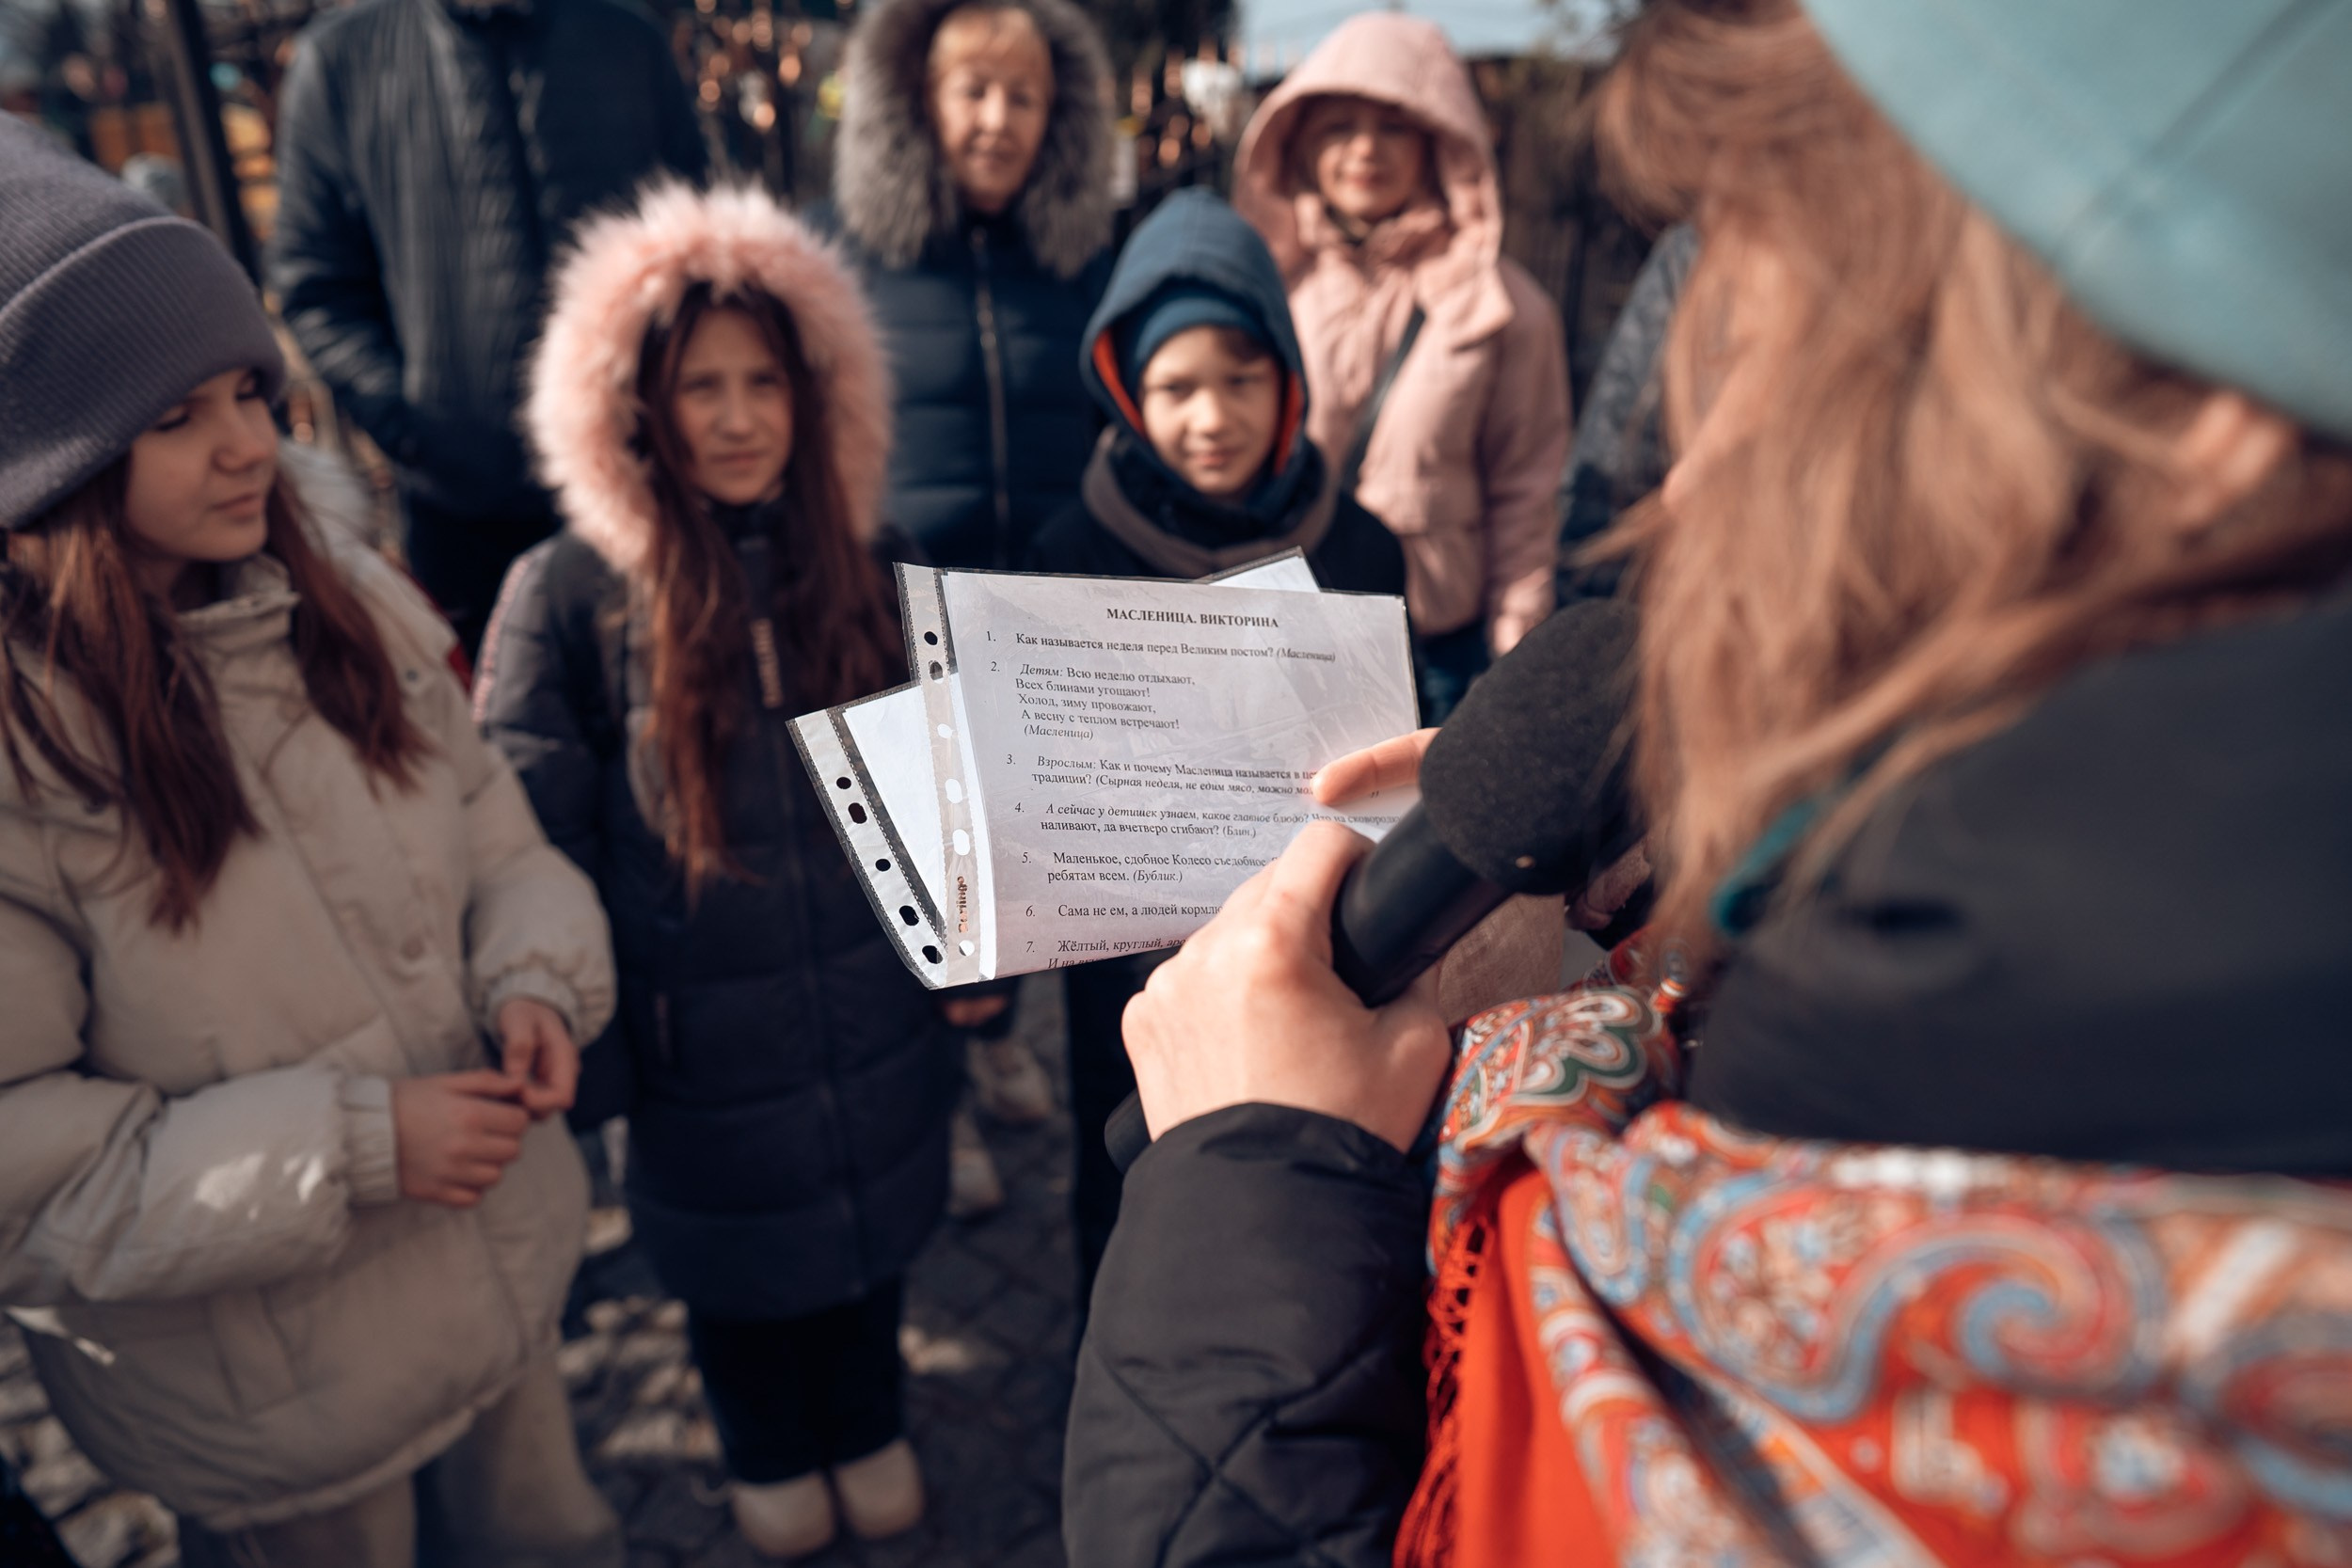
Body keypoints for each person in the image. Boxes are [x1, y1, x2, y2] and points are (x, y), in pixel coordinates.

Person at [1065, 0, 2352, 1562]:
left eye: (1793, 356)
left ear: (2193, 421)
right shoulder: (2103, 917)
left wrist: (1245, 1192)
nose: (1695, 475)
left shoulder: (1954, 1074)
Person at [0, 121, 619, 1568]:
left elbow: (490, 825)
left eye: (249, 389)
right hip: (274, 1399)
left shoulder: (338, 597)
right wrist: (355, 1144)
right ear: (48, 462)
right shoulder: (27, 750)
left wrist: (533, 973)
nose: (248, 441)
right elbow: (25, 1171)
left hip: (494, 1282)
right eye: (173, 415)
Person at [476, 181, 964, 1560]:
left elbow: (950, 794)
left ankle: (868, 1414)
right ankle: (762, 1435)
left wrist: (965, 967)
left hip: (869, 1010)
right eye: (703, 384)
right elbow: (536, 832)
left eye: (766, 379)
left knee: (873, 1242)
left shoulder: (877, 565)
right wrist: (605, 1045)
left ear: (819, 396)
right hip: (697, 1042)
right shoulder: (572, 596)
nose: (740, 414)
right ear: (638, 403)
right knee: (739, 1278)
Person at [1024, 186, 1407, 1320]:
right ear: (1126, 394)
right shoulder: (1070, 546)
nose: (1211, 416)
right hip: (1132, 954)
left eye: (1241, 380)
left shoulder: (1358, 536)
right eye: (1176, 386)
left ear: (1288, 380)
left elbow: (1402, 719)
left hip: (1328, 917)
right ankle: (1122, 1341)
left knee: (1305, 1151)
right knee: (1132, 1148)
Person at [825, 0, 1121, 1204]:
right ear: (916, 101)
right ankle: (936, 1099)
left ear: (1059, 118)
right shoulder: (850, 257)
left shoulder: (1089, 264)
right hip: (902, 621)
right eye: (971, 91)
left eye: (1024, 95)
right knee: (925, 880)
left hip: (1049, 632)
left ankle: (996, 1046)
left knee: (1026, 875)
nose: (996, 120)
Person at [268, 0, 709, 658]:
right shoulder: (340, 62)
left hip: (643, 479)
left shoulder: (625, 42)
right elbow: (316, 284)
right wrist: (414, 428)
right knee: (511, 730)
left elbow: (693, 241)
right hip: (462, 513)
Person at [1232, 13, 1570, 721]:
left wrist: (1515, 656)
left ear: (1438, 142)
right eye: (1337, 126)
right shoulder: (1259, 288)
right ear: (1298, 144)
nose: (1364, 149)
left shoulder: (1503, 307)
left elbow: (1528, 490)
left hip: (1437, 657)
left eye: (1393, 126)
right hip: (1280, 647)